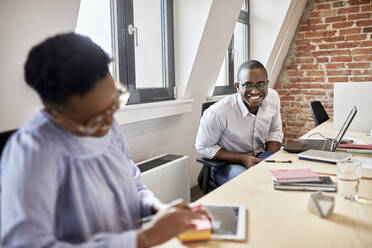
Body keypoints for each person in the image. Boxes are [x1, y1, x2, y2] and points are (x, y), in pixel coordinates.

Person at [0, 33, 205, 247]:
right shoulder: (32, 153)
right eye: (94, 119)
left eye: (114, 103)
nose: (109, 123)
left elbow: (133, 182)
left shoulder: (109, 126)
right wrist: (144, 238)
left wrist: (157, 208)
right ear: (55, 111)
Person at [195, 60, 283, 186]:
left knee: (281, 177)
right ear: (237, 86)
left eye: (261, 84)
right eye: (248, 85)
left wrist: (270, 159)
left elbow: (274, 131)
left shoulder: (273, 98)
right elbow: (203, 147)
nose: (255, 91)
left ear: (267, 84)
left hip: (259, 156)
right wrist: (243, 159)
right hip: (226, 164)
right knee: (252, 182)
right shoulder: (218, 112)